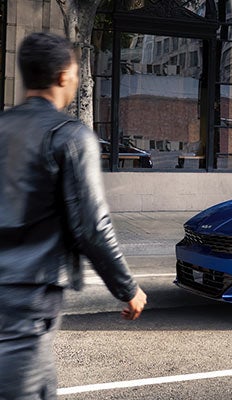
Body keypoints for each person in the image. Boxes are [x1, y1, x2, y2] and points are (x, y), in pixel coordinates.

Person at [0, 32, 147, 399]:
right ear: (64, 75)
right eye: (77, 72)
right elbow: (92, 227)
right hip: (26, 301)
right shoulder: (69, 136)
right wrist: (127, 289)